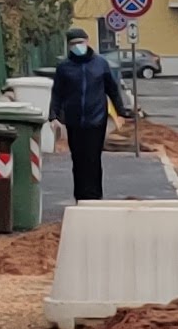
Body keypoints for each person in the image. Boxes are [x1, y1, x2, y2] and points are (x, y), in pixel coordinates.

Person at [49, 29, 126, 201]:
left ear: (87, 42)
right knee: (78, 160)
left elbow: (112, 90)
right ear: (69, 46)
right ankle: (81, 197)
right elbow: (57, 93)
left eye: (80, 42)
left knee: (93, 159)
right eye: (73, 44)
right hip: (74, 120)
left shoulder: (100, 64)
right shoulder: (64, 67)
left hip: (96, 119)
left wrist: (121, 112)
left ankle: (94, 197)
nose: (78, 46)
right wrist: (53, 116)